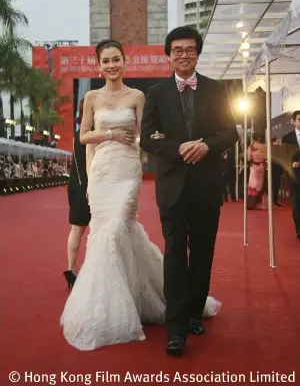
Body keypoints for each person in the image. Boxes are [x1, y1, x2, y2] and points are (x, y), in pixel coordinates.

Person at [60, 39, 221, 351]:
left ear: (124, 62)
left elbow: (148, 133)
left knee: (120, 226)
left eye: (116, 59)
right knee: (110, 233)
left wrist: (158, 142)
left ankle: (131, 299)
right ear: (98, 64)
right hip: (103, 172)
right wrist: (107, 139)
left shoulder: (138, 96)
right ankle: (121, 299)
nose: (111, 65)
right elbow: (84, 137)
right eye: (105, 60)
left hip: (127, 172)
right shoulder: (91, 97)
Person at [140, 26, 238, 356]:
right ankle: (176, 327)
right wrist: (179, 148)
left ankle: (195, 311)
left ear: (197, 53)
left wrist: (206, 146)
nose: (184, 55)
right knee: (174, 253)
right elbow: (146, 138)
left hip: (207, 185)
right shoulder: (156, 92)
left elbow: (230, 133)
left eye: (190, 50)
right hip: (172, 187)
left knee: (202, 251)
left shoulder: (215, 88)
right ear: (168, 55)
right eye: (177, 50)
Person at [63, 99, 91, 288]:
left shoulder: (76, 134)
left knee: (76, 229)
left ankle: (71, 269)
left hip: (75, 185)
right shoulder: (89, 135)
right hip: (87, 186)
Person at [282, 110, 300, 240]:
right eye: (299, 119)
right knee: (297, 205)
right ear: (294, 121)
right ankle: (299, 230)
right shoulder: (287, 138)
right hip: (293, 176)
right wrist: (292, 163)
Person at [247, 132, 267, 210]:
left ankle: (251, 204)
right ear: (259, 138)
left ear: (252, 138)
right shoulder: (263, 147)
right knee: (260, 185)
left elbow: (249, 158)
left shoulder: (251, 147)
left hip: (254, 167)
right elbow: (266, 157)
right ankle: (260, 203)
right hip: (261, 167)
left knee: (252, 185)